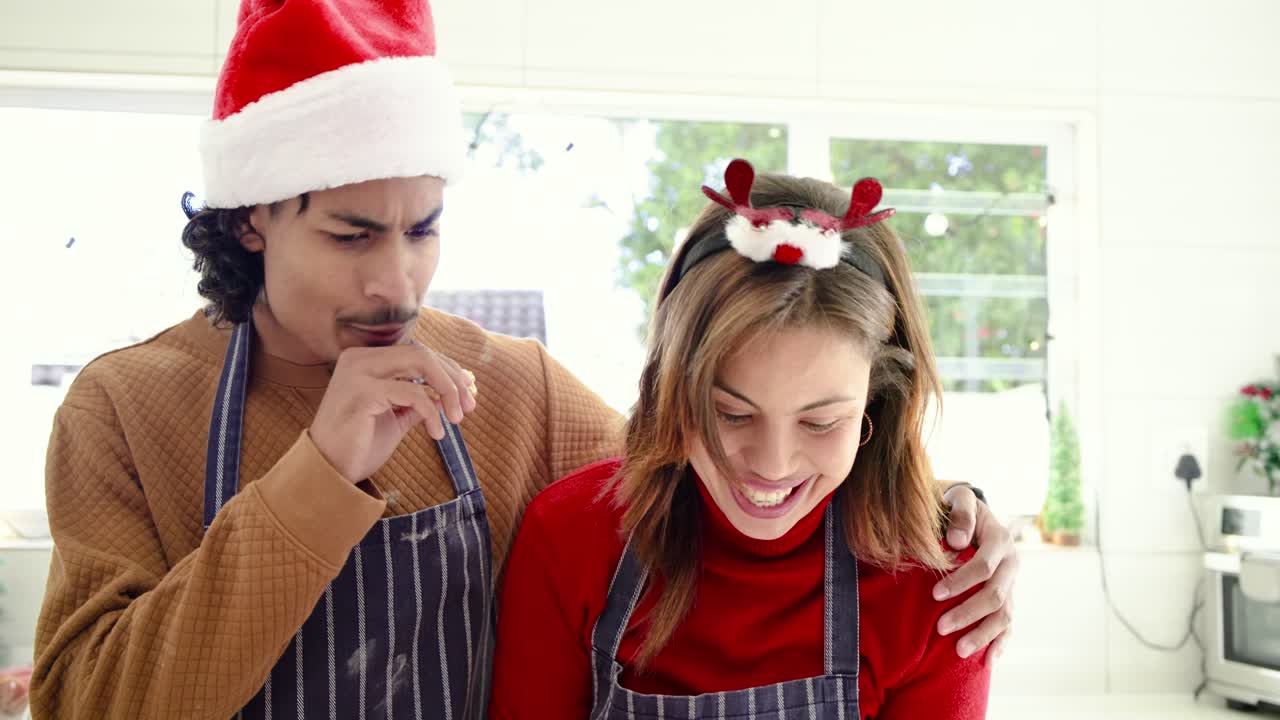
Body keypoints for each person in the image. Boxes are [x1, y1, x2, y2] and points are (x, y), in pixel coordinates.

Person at [30, 2, 1013, 718]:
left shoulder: (515, 392)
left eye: (422, 227)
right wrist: (317, 477)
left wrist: (941, 510)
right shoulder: (124, 409)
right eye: (350, 234)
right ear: (250, 221)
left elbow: (735, 474)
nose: (396, 283)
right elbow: (86, 705)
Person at [491, 161, 995, 719]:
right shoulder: (571, 536)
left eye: (820, 422)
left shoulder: (939, 583)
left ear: (878, 400)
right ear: (671, 386)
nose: (772, 466)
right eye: (730, 414)